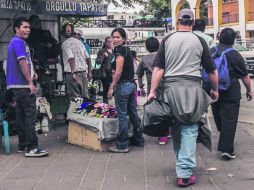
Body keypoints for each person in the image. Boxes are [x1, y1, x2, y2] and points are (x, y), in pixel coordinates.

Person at [148, 9, 219, 187]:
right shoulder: (199, 40)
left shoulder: (168, 39)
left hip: (170, 89)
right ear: (193, 23)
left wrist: (152, 91)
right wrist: (215, 89)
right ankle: (185, 172)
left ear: (177, 22)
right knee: (189, 127)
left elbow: (158, 69)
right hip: (193, 88)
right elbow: (211, 70)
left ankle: (183, 168)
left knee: (177, 127)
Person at [206, 28, 252, 160]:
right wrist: (249, 90)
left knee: (218, 116)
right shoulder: (235, 54)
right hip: (231, 90)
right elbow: (245, 76)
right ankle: (227, 150)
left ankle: (224, 136)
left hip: (213, 89)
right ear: (233, 39)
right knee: (229, 120)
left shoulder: (211, 51)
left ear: (219, 38)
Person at [6, 17, 49, 157]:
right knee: (30, 116)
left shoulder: (14, 42)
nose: (28, 30)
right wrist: (30, 81)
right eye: (24, 27)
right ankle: (32, 147)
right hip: (23, 85)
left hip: (16, 85)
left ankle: (23, 144)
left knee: (21, 116)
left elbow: (25, 63)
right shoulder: (19, 42)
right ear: (16, 29)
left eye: (29, 27)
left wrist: (33, 73)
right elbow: (22, 62)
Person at [107, 28, 145, 153]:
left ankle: (122, 144)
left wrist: (112, 87)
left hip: (123, 86)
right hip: (131, 85)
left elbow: (118, 71)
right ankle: (138, 139)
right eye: (113, 37)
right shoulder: (126, 50)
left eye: (118, 37)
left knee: (122, 116)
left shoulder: (121, 51)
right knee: (133, 113)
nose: (115, 39)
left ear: (123, 38)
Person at [61, 24, 92, 101]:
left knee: (75, 99)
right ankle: (84, 112)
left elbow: (71, 58)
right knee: (85, 97)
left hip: (72, 74)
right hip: (83, 73)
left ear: (63, 33)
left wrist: (73, 72)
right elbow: (88, 58)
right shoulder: (80, 42)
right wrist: (89, 72)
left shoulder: (65, 43)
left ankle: (76, 113)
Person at [95, 37, 114, 103]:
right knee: (105, 90)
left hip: (114, 73)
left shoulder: (115, 51)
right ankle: (106, 105)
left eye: (111, 41)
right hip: (105, 73)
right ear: (105, 43)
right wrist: (103, 56)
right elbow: (97, 62)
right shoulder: (102, 51)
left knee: (116, 89)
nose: (110, 43)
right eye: (108, 41)